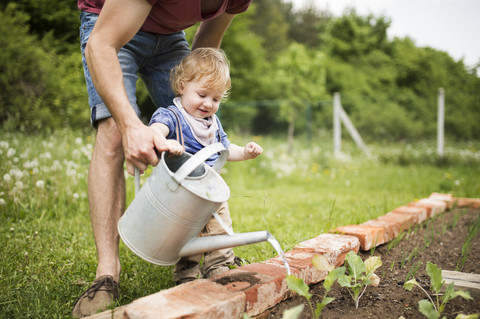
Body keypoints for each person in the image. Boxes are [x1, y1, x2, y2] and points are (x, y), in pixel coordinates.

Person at [73, 0, 253, 317]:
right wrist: (132, 126)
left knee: (197, 130)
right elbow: (101, 44)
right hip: (110, 27)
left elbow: (206, 48)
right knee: (114, 130)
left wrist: (199, 114)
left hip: (170, 37)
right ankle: (106, 274)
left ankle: (217, 253)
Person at [149, 47, 262, 284]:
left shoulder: (212, 122)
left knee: (221, 228)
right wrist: (166, 141)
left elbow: (224, 149)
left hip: (212, 189)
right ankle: (187, 273)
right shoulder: (172, 116)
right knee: (187, 232)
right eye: (202, 95)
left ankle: (219, 266)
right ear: (182, 86)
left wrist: (245, 152)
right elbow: (155, 131)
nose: (208, 104)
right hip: (182, 192)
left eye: (216, 99)